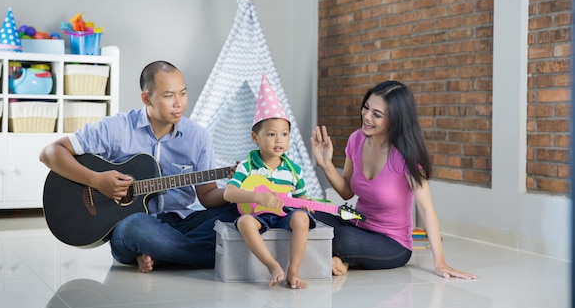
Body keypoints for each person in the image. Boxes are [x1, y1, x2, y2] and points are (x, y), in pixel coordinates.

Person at [39, 60, 240, 272]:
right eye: (168, 95)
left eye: (182, 93)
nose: (178, 103)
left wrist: (234, 189)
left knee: (240, 210)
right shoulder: (116, 127)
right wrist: (96, 180)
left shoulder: (199, 137)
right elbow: (50, 153)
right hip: (135, 226)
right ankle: (203, 255)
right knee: (134, 228)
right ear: (146, 98)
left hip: (182, 222)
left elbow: (207, 195)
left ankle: (163, 254)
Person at [310, 80, 476, 280]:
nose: (367, 116)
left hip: (392, 244)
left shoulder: (406, 156)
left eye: (376, 115)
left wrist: (440, 262)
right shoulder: (356, 139)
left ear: (395, 120)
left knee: (343, 239)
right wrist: (326, 164)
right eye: (366, 108)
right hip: (358, 226)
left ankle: (343, 257)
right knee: (310, 214)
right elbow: (347, 191)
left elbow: (426, 209)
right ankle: (343, 260)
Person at [223, 75, 315, 289]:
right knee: (244, 222)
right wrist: (257, 196)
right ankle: (272, 265)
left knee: (302, 218)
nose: (279, 140)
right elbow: (229, 193)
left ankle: (293, 271)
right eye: (271, 134)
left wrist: (304, 203)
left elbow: (300, 197)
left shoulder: (293, 170)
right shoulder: (247, 166)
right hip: (258, 216)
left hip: (285, 215)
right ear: (255, 138)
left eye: (284, 134)